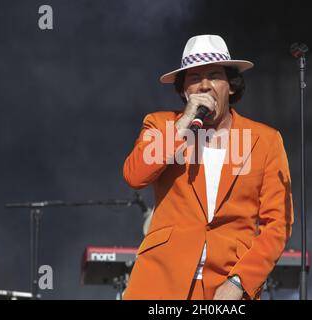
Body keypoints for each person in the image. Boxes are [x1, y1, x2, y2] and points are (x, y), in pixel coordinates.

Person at [122, 34, 293, 300]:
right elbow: (135, 175)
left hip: (227, 286)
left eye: (214, 75)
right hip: (160, 283)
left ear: (231, 87)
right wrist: (184, 122)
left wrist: (240, 282)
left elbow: (277, 224)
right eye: (193, 78)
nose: (204, 85)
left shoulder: (266, 140)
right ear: (183, 90)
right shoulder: (161, 125)